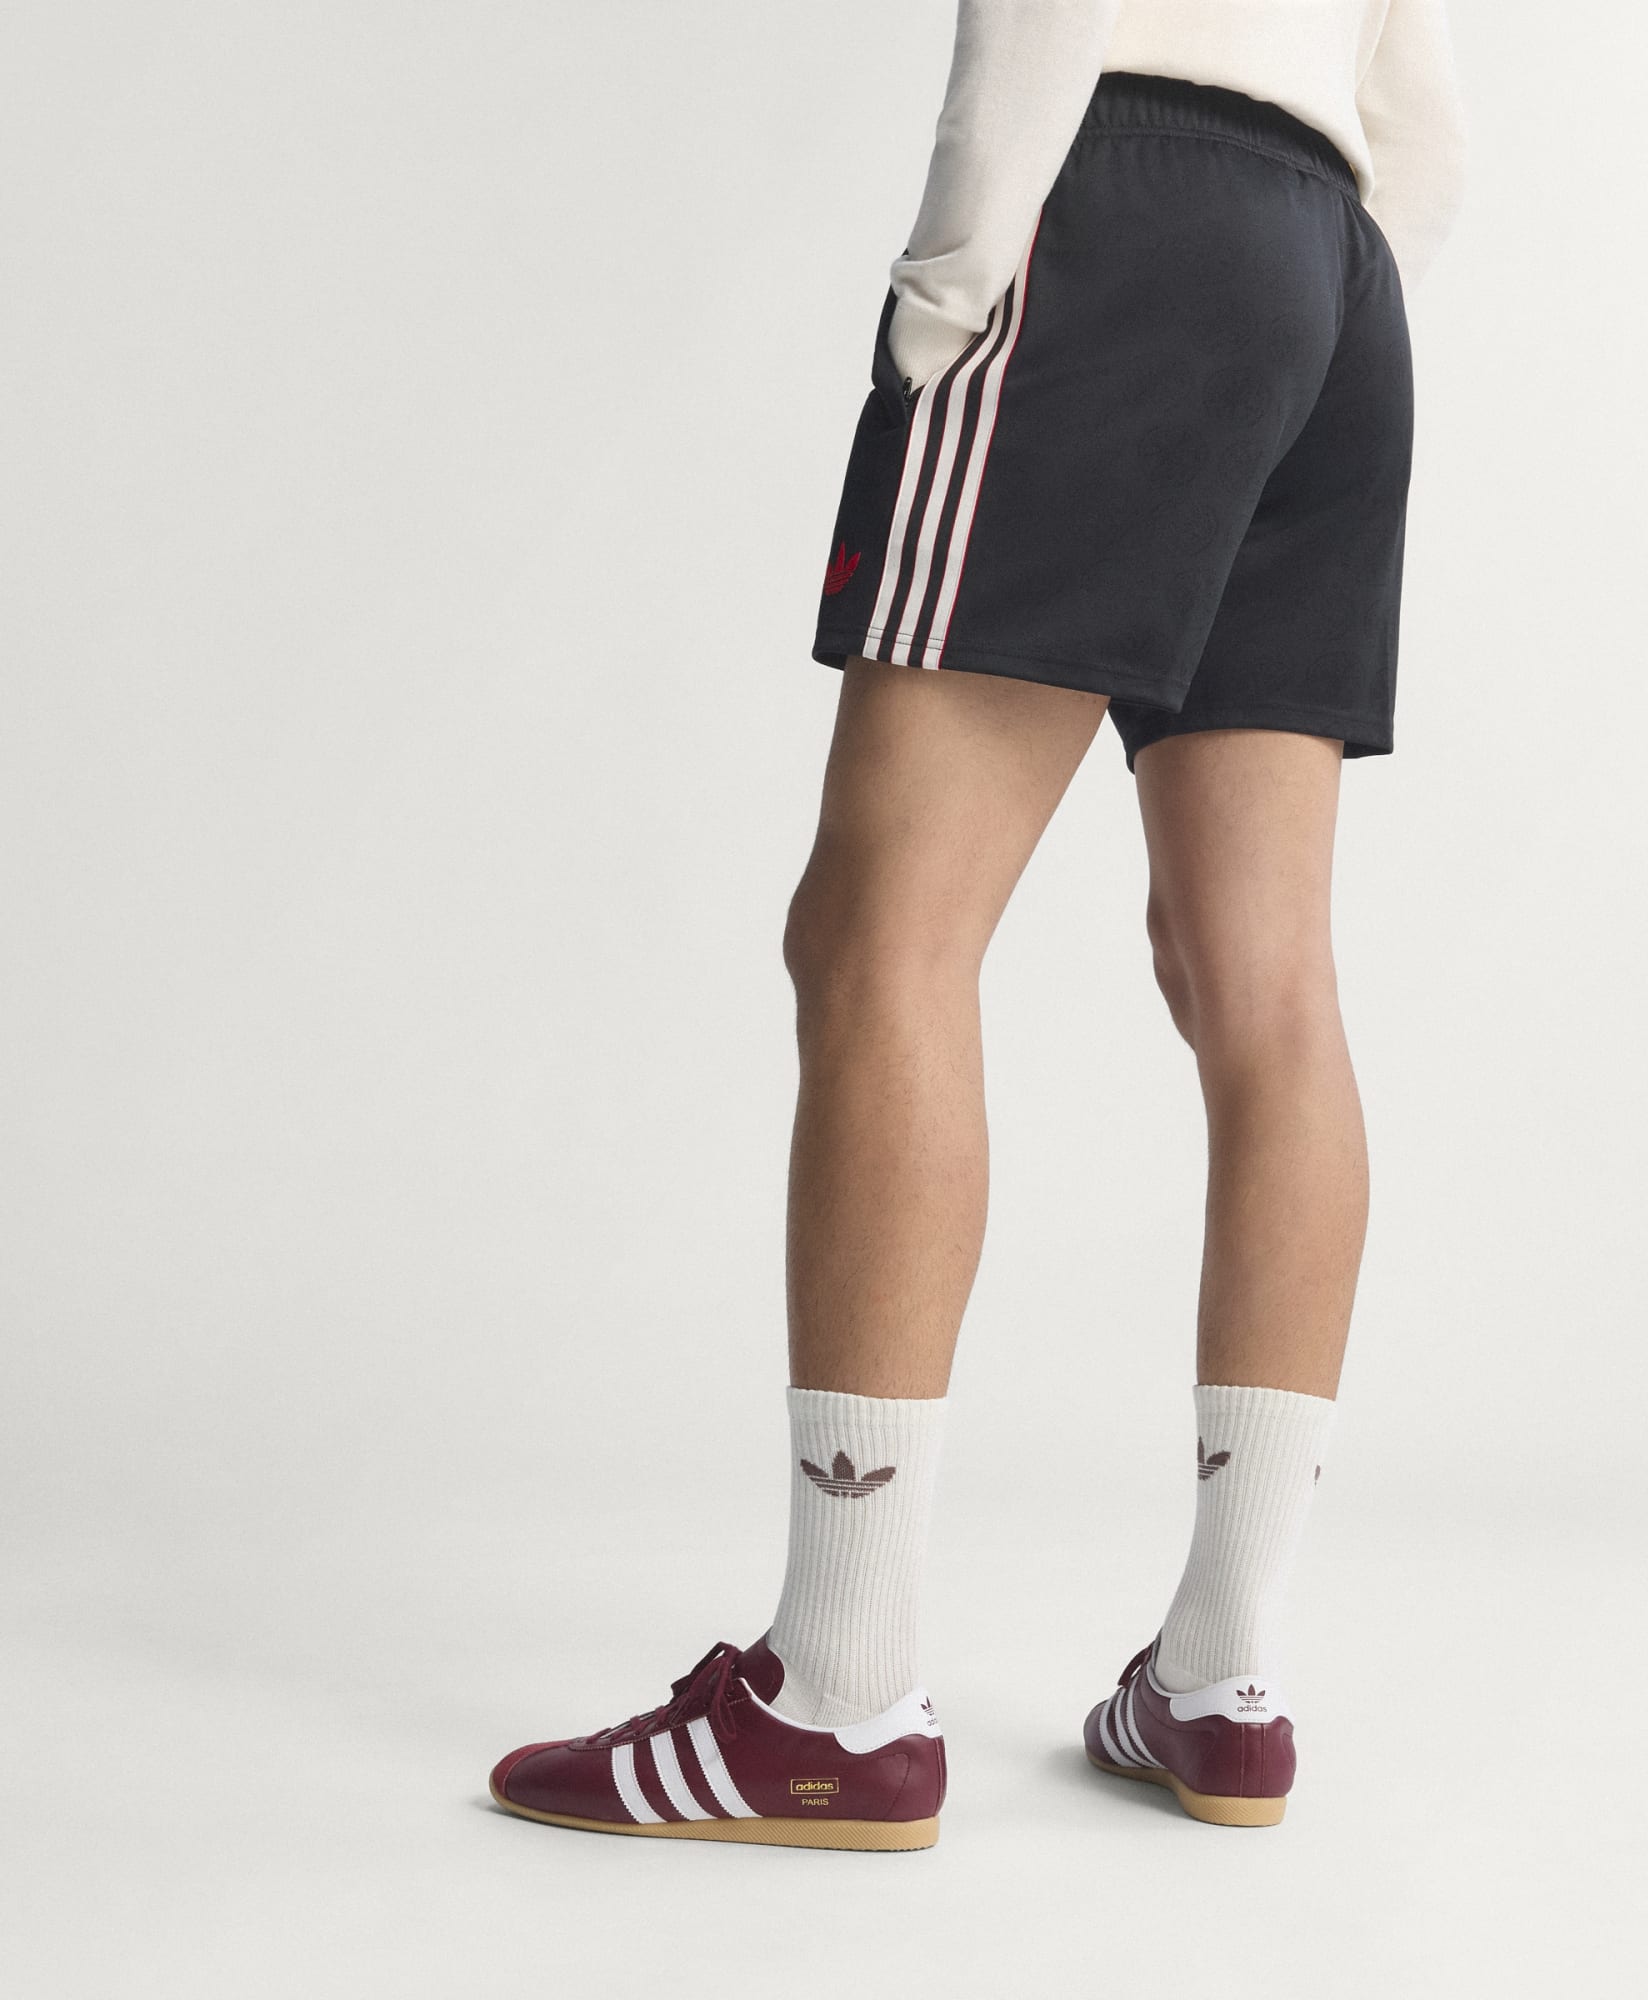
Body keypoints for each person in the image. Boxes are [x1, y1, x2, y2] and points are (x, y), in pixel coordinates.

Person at [488, 0, 1466, 1849]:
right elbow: (1420, 100)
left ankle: (835, 1703)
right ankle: (1222, 1685)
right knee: (1264, 986)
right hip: (1338, 279)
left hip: (1126, 208)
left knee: (882, 929)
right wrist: (1300, 299)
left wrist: (954, 289)